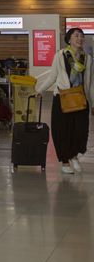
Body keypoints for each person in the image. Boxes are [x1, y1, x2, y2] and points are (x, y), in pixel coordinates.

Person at [42, 29, 91, 174]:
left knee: (80, 130)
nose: (80, 38)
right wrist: (39, 90)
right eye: (76, 36)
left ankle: (74, 155)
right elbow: (52, 77)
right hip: (62, 98)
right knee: (62, 130)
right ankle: (65, 161)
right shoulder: (60, 55)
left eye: (82, 36)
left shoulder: (87, 58)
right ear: (69, 39)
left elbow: (89, 82)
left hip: (80, 98)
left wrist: (92, 102)